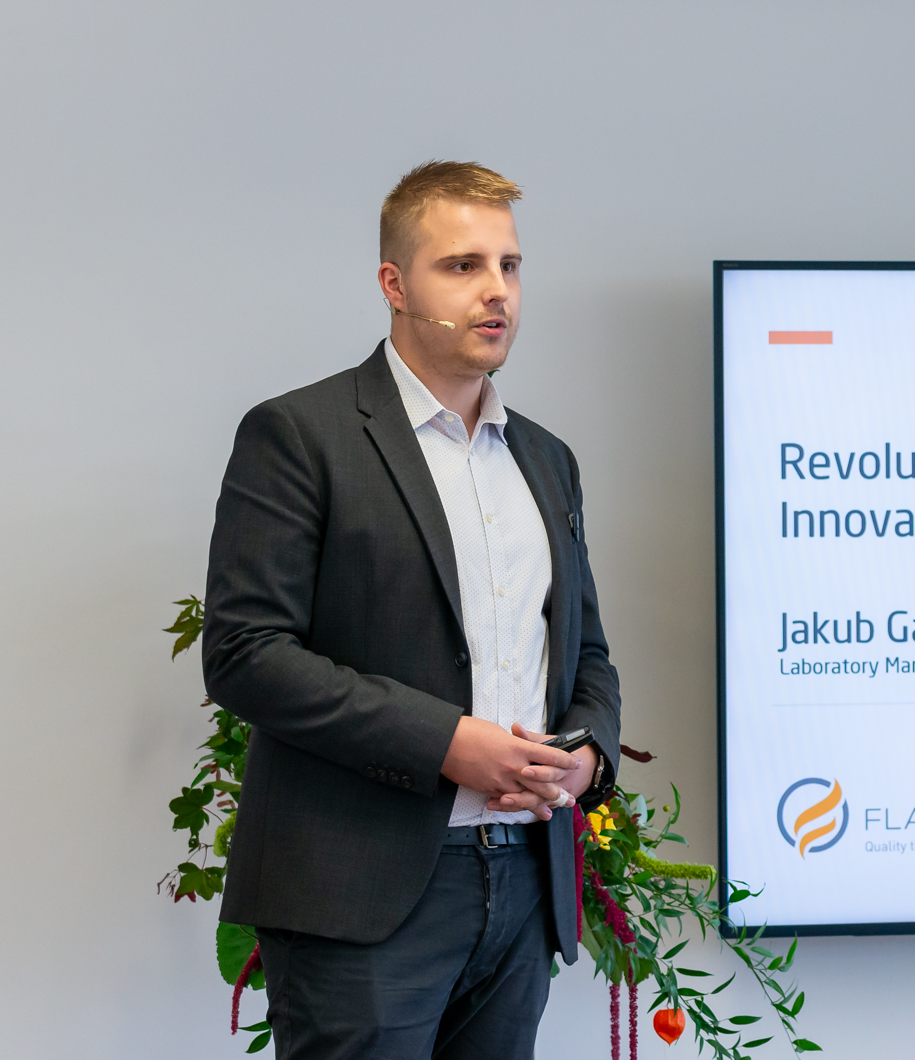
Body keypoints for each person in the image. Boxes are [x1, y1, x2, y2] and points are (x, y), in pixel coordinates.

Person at [202, 160, 621, 1059]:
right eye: (462, 266)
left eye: (509, 265)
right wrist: (447, 743)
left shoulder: (547, 459)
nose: (496, 290)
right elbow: (245, 653)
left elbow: (585, 654)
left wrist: (587, 759)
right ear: (394, 284)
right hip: (361, 891)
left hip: (524, 881)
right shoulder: (300, 435)